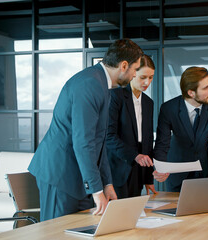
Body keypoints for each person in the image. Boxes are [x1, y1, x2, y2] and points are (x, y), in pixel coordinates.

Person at [28, 39, 143, 221]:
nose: (135, 75)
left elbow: (99, 142)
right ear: (123, 65)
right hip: (61, 174)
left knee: (79, 230)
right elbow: (84, 142)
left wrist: (107, 184)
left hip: (78, 175)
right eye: (135, 69)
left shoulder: (102, 84)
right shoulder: (90, 84)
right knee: (56, 233)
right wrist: (97, 189)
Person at [153, 66, 208, 195]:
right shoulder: (168, 108)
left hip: (206, 175)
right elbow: (162, 143)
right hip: (177, 175)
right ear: (191, 93)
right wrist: (160, 168)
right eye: (206, 88)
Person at [106, 54, 157, 199]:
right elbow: (109, 136)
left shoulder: (148, 102)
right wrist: (134, 156)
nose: (147, 82)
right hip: (118, 168)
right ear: (133, 74)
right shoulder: (116, 96)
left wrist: (148, 178)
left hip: (138, 171)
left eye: (151, 77)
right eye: (143, 77)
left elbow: (147, 141)